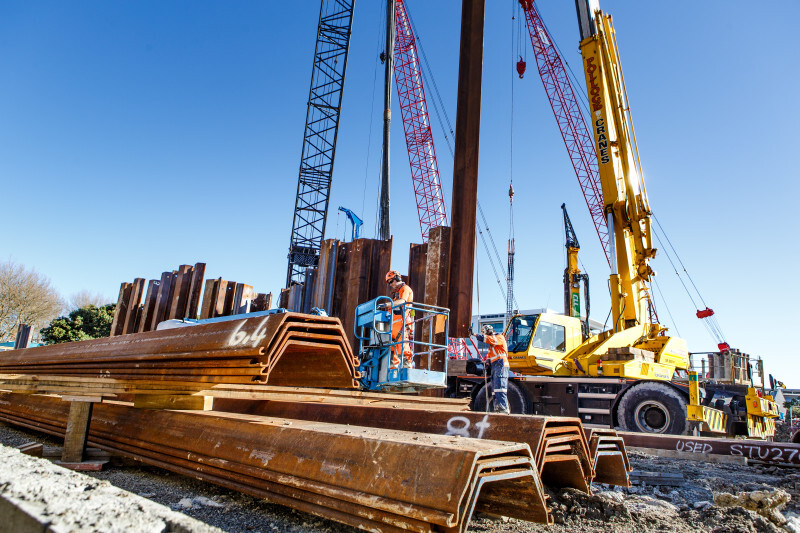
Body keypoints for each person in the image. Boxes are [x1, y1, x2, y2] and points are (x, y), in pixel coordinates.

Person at [472, 324, 510, 413]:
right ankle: (498, 407)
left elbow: (489, 339)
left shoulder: (499, 337)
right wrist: (487, 361)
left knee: (500, 387)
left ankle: (503, 407)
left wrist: (475, 335)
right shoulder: (492, 344)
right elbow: (490, 354)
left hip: (501, 364)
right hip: (495, 365)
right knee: (495, 388)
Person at [385, 270, 414, 369]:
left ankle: (407, 366)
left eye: (391, 281)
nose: (390, 284)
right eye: (389, 282)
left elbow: (402, 301)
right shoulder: (396, 294)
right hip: (394, 325)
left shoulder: (405, 289)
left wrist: (387, 304)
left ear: (397, 278)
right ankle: (393, 367)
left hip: (402, 323)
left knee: (403, 345)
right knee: (394, 346)